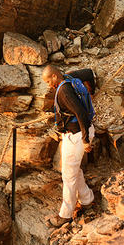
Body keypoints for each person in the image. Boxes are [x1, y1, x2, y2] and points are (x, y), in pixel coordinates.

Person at [41, 65, 97, 227]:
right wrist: (91, 91)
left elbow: (80, 112)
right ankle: (87, 199)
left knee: (68, 176)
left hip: (77, 136)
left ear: (53, 77)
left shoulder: (64, 91)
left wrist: (86, 140)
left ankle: (65, 214)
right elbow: (88, 72)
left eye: (47, 81)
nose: (48, 85)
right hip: (76, 134)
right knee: (72, 170)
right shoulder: (69, 76)